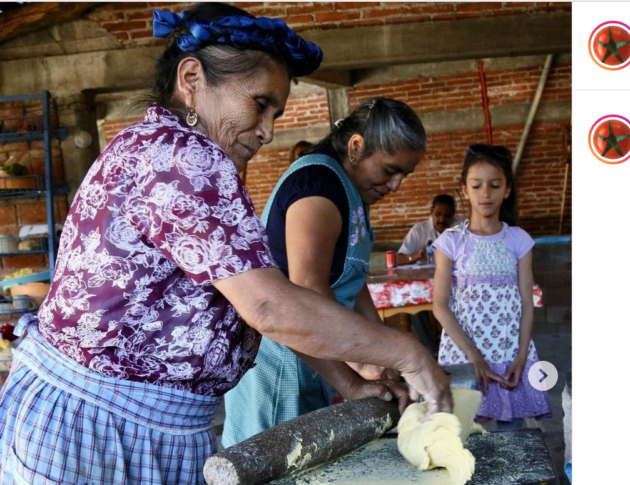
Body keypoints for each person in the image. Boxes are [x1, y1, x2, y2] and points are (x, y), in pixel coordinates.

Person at [0, 5, 450, 485]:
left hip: (132, 433)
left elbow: (269, 304)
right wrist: (408, 355)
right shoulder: (179, 158)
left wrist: (351, 384)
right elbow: (274, 302)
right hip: (97, 432)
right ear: (192, 79)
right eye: (259, 104)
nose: (267, 128)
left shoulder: (181, 155)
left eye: (277, 109)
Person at [223, 97, 426, 446]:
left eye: (403, 176)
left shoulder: (352, 193)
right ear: (356, 147)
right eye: (390, 170)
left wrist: (379, 351)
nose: (395, 186)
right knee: (273, 471)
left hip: (315, 356)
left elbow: (352, 280)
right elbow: (308, 290)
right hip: (280, 362)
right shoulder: (318, 185)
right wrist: (362, 365)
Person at [432, 144, 551, 428]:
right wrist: (474, 358)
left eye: (495, 185)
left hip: (509, 352)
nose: (485, 193)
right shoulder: (451, 241)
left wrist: (522, 355)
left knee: (513, 438)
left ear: (507, 190)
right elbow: (439, 305)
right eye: (477, 186)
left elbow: (526, 302)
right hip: (463, 354)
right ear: (465, 190)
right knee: (463, 435)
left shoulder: (518, 239)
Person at [395, 193, 457, 266]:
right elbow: (397, 259)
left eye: (447, 216)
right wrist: (416, 256)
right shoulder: (419, 230)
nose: (441, 219)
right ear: (431, 211)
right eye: (438, 214)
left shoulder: (462, 229)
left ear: (453, 215)